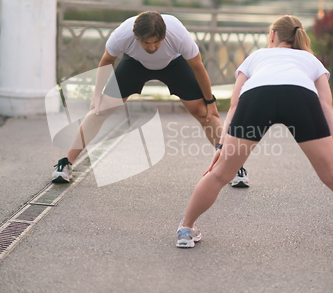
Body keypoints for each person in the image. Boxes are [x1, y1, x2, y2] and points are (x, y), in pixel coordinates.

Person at [176, 14, 333, 248]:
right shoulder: (310, 60)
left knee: (220, 173)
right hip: (299, 96)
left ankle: (186, 230)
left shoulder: (256, 56)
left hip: (258, 96)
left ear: (272, 35)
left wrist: (221, 146)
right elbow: (325, 105)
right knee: (329, 172)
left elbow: (235, 104)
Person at [52, 11, 249, 187]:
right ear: (136, 37)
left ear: (164, 36)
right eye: (146, 43)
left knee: (204, 113)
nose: (152, 47)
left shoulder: (178, 35)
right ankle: (66, 163)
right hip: (135, 64)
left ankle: (232, 167)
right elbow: (107, 61)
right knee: (99, 110)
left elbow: (198, 67)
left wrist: (210, 101)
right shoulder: (122, 34)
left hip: (174, 64)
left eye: (156, 42)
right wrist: (96, 96)